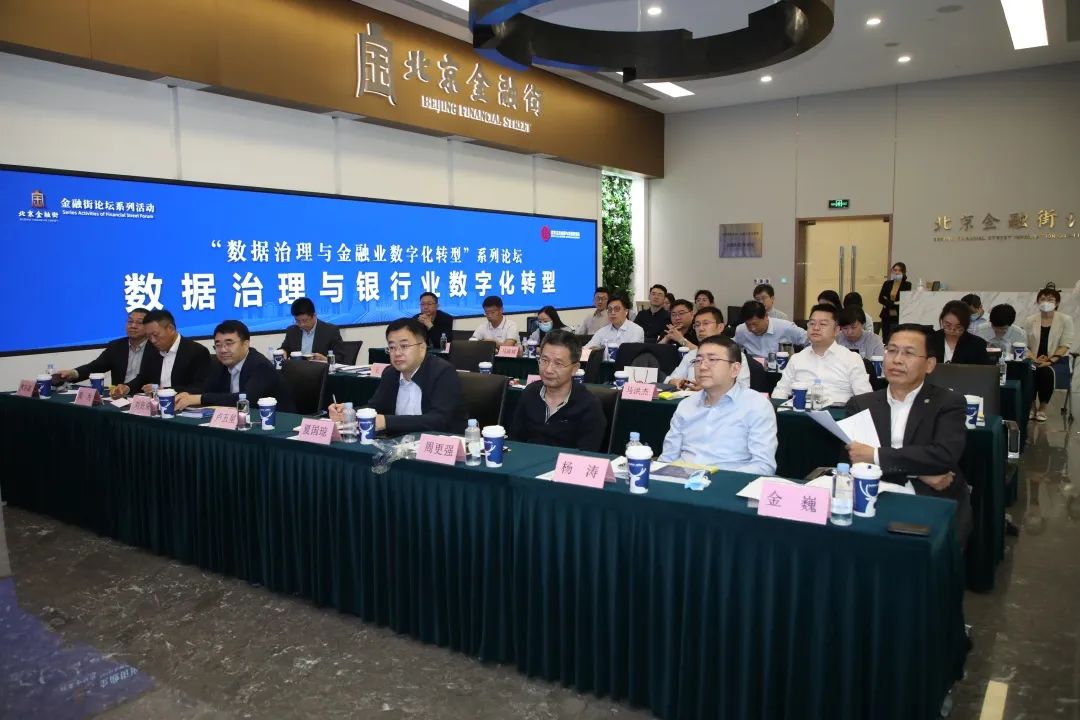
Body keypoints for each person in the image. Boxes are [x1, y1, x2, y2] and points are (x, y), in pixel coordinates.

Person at [844, 324, 973, 546]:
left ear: (929, 364)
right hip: (876, 494)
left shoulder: (949, 403)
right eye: (892, 350)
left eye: (908, 353)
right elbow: (854, 458)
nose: (897, 360)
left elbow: (943, 456)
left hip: (931, 496)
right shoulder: (860, 404)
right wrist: (920, 471)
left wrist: (875, 455)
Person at [659, 335, 777, 475]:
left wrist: (713, 479)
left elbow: (763, 466)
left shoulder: (757, 406)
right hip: (681, 480)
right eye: (698, 360)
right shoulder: (686, 405)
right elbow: (667, 458)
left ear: (735, 369)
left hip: (728, 483)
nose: (702, 367)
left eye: (712, 360)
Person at [330, 318, 467, 434]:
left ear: (422, 348)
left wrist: (386, 422)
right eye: (392, 347)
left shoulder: (443, 372)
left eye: (404, 346)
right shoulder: (390, 373)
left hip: (438, 445)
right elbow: (375, 407)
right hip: (401, 444)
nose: (397, 353)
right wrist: (349, 413)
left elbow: (439, 420)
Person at [509, 330, 606, 451]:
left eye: (558, 364)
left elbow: (587, 454)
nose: (548, 370)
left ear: (574, 369)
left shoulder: (589, 405)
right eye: (544, 360)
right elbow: (515, 441)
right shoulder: (530, 393)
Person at [175, 320, 294, 412]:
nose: (223, 350)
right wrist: (187, 394)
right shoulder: (220, 365)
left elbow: (246, 400)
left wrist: (199, 398)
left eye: (229, 343)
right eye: (218, 345)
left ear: (246, 344)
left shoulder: (260, 365)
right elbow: (207, 389)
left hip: (277, 423)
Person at [772, 304, 873, 404]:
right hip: (801, 412)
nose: (816, 328)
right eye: (812, 323)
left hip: (838, 413)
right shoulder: (796, 359)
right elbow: (780, 392)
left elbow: (865, 399)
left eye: (823, 324)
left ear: (836, 330)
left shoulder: (851, 359)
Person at [120, 309, 211, 396]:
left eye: (155, 335)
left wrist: (163, 390)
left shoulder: (197, 352)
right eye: (149, 337)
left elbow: (200, 387)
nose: (153, 340)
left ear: (171, 329)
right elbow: (143, 378)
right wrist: (127, 387)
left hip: (183, 404)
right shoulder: (152, 349)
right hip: (155, 403)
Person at [54, 308, 152, 386]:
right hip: (119, 398)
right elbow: (95, 367)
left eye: (139, 323)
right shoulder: (116, 346)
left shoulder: (156, 348)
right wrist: (73, 373)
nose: (133, 326)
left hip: (147, 399)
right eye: (130, 321)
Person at [666, 307, 750, 390]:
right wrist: (675, 382)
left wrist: (706, 389)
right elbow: (670, 379)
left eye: (706, 323)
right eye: (697, 325)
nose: (700, 329)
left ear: (720, 327)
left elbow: (743, 388)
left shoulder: (735, 355)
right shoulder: (692, 354)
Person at [1024, 287, 1075, 422]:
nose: (1046, 302)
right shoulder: (1030, 320)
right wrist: (1034, 359)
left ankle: (1042, 408)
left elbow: (1065, 344)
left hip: (1057, 360)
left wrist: (1050, 360)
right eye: (1043, 299)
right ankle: (1031, 407)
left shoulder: (1065, 320)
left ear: (1057, 303)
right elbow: (1025, 344)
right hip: (1034, 358)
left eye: (1050, 299)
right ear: (1038, 302)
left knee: (1046, 372)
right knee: (1029, 370)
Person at [734, 300, 807, 359]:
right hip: (753, 370)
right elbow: (732, 347)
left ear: (766, 316)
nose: (752, 328)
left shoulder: (785, 327)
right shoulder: (741, 330)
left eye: (755, 324)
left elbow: (809, 339)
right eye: (748, 325)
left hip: (780, 369)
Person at [279, 297, 344, 361]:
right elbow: (284, 349)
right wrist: (283, 352)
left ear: (314, 315)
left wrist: (325, 359)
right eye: (297, 321)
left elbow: (341, 357)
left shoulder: (331, 331)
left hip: (320, 367)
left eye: (305, 320)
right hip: (298, 367)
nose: (301, 324)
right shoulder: (292, 331)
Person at [928, 300, 990, 365]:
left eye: (958, 326)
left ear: (966, 324)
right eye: (948, 325)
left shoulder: (977, 344)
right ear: (942, 319)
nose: (952, 329)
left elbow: (983, 369)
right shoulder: (930, 340)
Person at [877, 262, 912, 341]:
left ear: (903, 272)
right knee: (886, 338)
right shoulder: (887, 283)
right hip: (886, 314)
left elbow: (904, 300)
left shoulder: (907, 284)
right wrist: (894, 303)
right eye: (895, 270)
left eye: (899, 270)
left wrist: (887, 301)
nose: (897, 272)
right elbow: (880, 299)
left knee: (896, 337)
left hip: (898, 315)